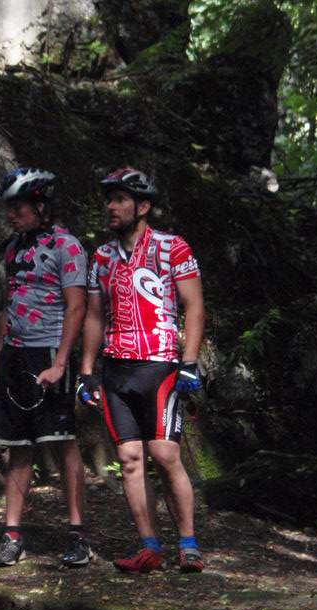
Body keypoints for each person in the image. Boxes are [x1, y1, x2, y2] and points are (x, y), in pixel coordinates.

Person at [77, 167, 205, 574]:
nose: (111, 207)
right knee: (129, 459)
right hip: (116, 369)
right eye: (108, 200)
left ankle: (188, 545)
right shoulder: (101, 257)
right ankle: (149, 547)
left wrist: (189, 363)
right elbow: (94, 315)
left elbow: (194, 306)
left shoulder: (173, 247)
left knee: (164, 454)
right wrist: (86, 371)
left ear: (143, 206)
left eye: (120, 199)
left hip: (160, 364)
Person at [0, 167, 92, 568]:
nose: (12, 215)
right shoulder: (13, 248)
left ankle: (78, 535)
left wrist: (62, 362)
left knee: (63, 441)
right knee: (18, 446)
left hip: (49, 351)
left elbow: (77, 307)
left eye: (19, 207)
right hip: (14, 355)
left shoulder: (67, 246)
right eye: (9, 208)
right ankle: (12, 535)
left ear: (41, 206)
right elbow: (8, 305)